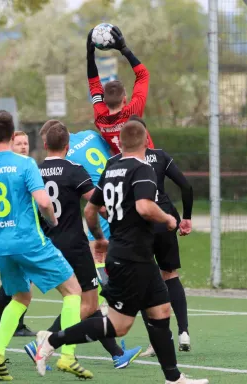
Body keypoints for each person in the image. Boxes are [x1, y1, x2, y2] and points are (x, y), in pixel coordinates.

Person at [34, 121, 209, 384]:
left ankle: (173, 378)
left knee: (161, 311)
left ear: (121, 144)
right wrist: (169, 220)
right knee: (119, 325)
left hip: (136, 255)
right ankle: (52, 340)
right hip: (130, 258)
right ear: (145, 141)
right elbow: (144, 207)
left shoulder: (112, 168)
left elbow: (90, 211)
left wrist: (101, 238)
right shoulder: (143, 169)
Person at [0, 110, 85, 380]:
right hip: (30, 242)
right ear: (11, 133)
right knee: (73, 290)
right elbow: (43, 202)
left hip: (1, 246)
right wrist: (52, 221)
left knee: (20, 297)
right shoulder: (26, 164)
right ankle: (67, 356)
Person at [23, 122, 141, 372]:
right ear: (68, 146)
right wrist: (120, 218)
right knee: (86, 303)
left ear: (44, 145)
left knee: (83, 300)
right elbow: (96, 203)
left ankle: (117, 354)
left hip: (48, 246)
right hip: (74, 246)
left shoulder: (34, 171)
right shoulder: (75, 170)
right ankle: (45, 343)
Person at [108, 115, 193, 356]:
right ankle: (184, 331)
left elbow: (103, 203)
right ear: (146, 137)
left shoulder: (115, 162)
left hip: (139, 227)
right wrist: (186, 217)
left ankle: (156, 342)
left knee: (147, 280)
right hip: (164, 222)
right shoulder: (161, 156)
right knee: (170, 275)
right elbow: (186, 186)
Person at [38, 121, 111, 291]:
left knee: (96, 255)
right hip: (119, 189)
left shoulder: (67, 162)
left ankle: (104, 301)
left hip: (102, 205)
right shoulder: (90, 134)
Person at [0, 130, 36, 337]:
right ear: (10, 146)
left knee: (16, 277)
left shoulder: (28, 166)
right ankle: (12, 323)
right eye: (18, 144)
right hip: (16, 231)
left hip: (16, 231)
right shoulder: (17, 170)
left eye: (26, 143)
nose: (23, 146)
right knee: (21, 278)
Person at [86, 25, 154, 154]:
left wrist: (90, 56)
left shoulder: (100, 118)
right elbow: (143, 75)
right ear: (124, 99)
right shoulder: (132, 113)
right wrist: (124, 50)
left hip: (122, 167)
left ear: (104, 100)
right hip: (147, 165)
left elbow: (94, 84)